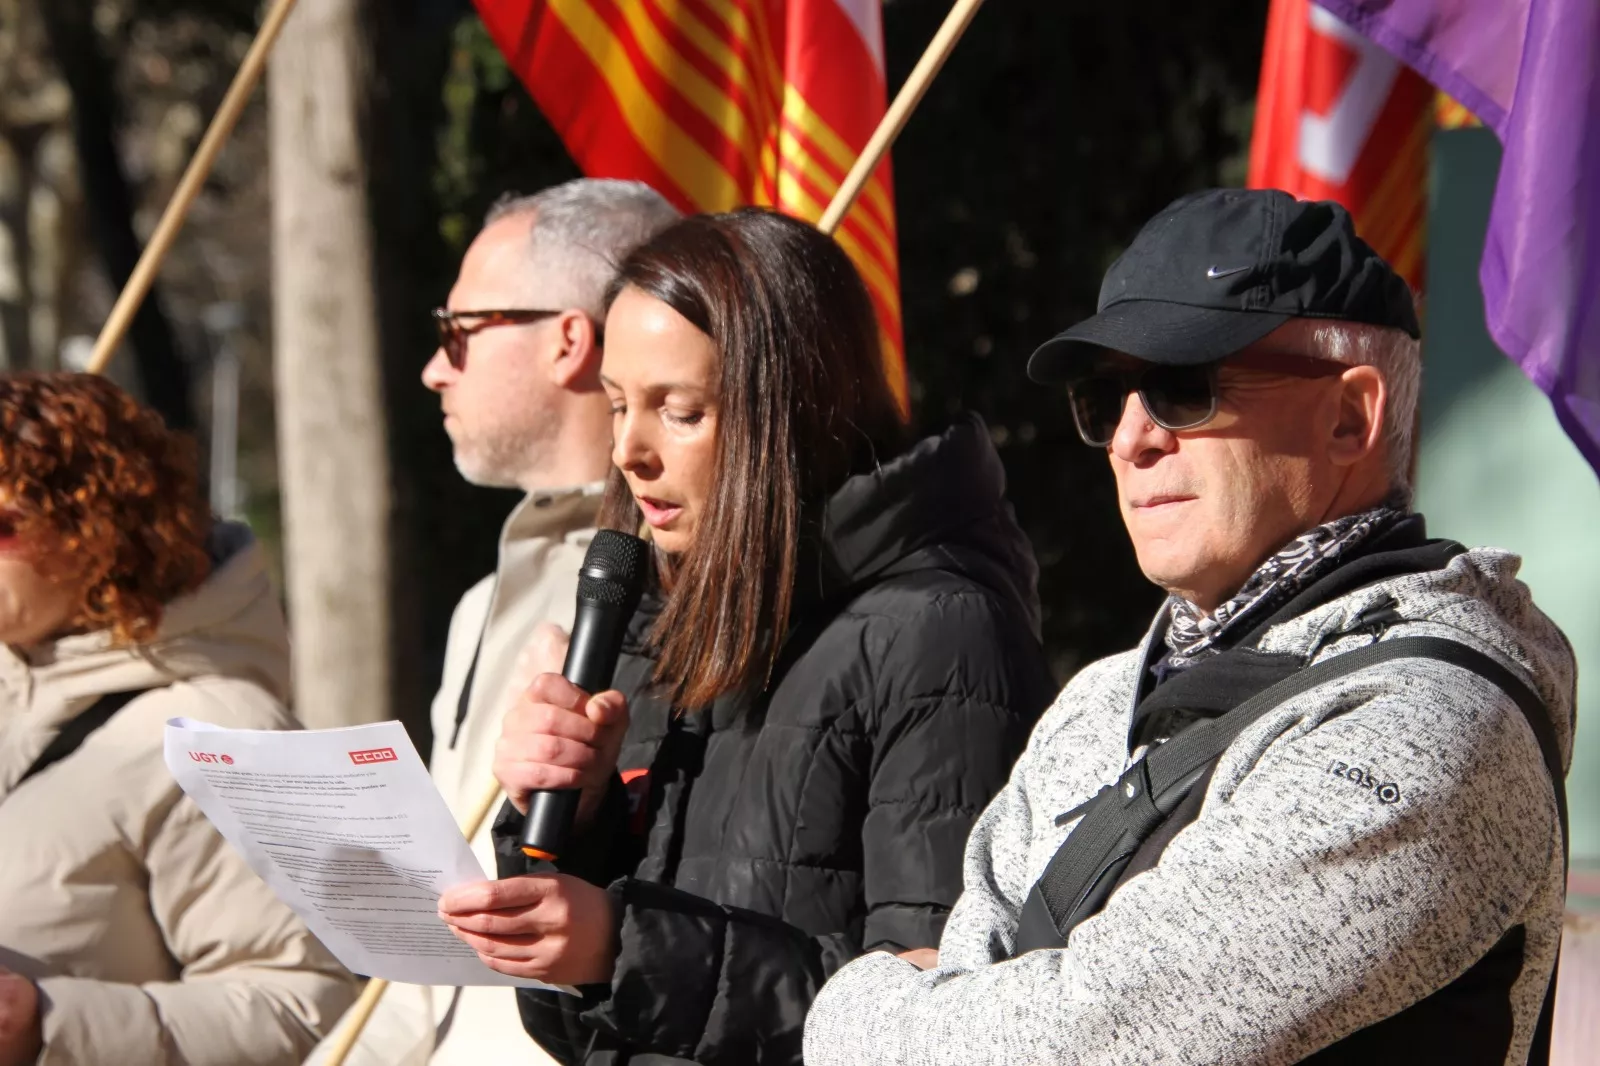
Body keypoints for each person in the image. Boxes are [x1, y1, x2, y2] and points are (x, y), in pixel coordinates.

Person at [804, 188, 1574, 1065]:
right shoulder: (1095, 702)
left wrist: (850, 1006)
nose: (1130, 439)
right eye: (1105, 399)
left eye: (1182, 388)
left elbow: (1069, 1046)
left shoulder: (1430, 727)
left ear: (1349, 417)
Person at [435, 208, 1059, 1064]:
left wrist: (622, 946)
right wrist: (575, 826)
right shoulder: (660, 608)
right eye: (618, 406)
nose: (629, 451)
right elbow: (569, 1029)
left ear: (791, 411)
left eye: (680, 411)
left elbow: (939, 1020)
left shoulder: (939, 633)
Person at [306, 179, 680, 1066]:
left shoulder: (694, 586)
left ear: (567, 341)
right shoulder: (483, 602)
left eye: (458, 334)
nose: (436, 367)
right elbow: (432, 952)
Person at [0, 372, 357, 1066]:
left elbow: (311, 1012)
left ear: (92, 529)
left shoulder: (222, 729)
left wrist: (40, 1023)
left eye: (2, 525)